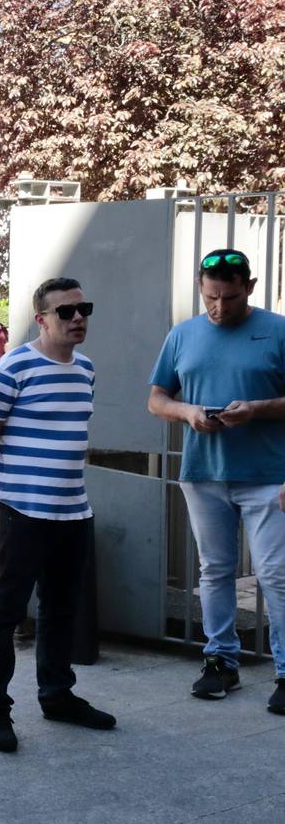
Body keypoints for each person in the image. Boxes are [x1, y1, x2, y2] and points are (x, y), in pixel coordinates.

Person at [0, 277, 115, 752]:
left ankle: (57, 696)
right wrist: (4, 498)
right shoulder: (13, 368)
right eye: (66, 312)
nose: (78, 318)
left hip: (74, 513)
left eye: (84, 309)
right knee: (5, 612)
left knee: (61, 609)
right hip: (22, 514)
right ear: (41, 319)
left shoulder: (86, 369)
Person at [148, 249, 285, 715]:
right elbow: (157, 398)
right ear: (199, 287)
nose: (219, 308)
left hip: (269, 476)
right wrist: (187, 412)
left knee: (274, 575)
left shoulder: (279, 330)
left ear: (250, 286)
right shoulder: (183, 334)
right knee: (215, 571)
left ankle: (284, 672)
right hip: (204, 473)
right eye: (210, 297)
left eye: (228, 297)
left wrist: (258, 408)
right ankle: (220, 660)